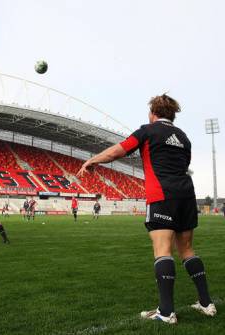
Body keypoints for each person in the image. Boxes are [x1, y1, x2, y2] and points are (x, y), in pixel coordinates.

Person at [77, 94, 216, 324]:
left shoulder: (148, 131)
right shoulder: (184, 137)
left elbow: (118, 151)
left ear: (153, 113)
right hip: (187, 195)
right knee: (187, 249)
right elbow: (185, 164)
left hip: (162, 194)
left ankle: (166, 312)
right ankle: (206, 303)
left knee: (163, 249)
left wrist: (92, 161)